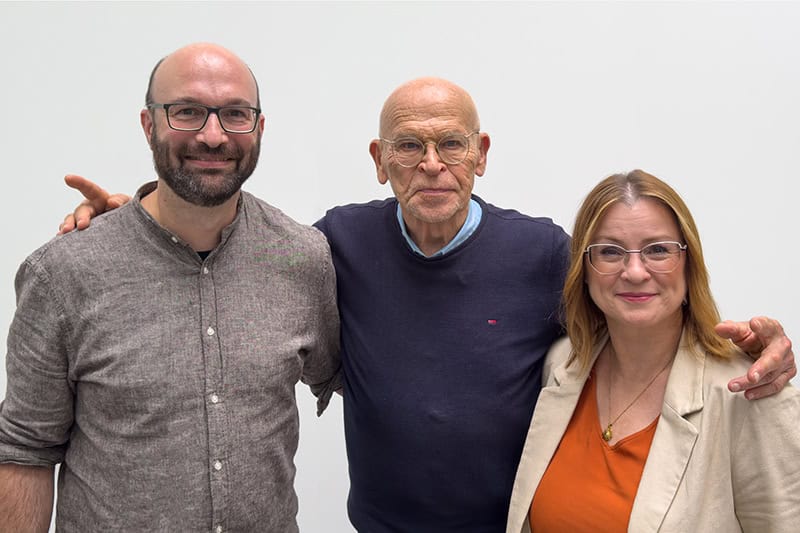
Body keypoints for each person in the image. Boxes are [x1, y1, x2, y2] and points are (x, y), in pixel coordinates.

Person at [54, 79, 796, 532]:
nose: (432, 163)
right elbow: (236, 258)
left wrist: (756, 343)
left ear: (482, 153)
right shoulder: (332, 244)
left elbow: (639, 297)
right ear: (379, 162)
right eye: (409, 146)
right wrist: (143, 216)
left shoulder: (543, 251)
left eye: (452, 143)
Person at [0, 43, 341, 532]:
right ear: (148, 125)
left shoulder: (302, 258)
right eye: (187, 112)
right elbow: (24, 449)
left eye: (235, 114)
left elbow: (347, 375)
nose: (213, 135)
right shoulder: (65, 274)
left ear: (259, 128)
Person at [506, 170, 800, 532]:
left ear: (689, 264)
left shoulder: (749, 394)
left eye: (658, 250)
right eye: (610, 251)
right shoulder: (562, 364)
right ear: (584, 270)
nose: (634, 271)